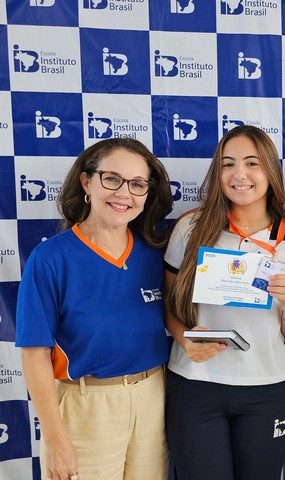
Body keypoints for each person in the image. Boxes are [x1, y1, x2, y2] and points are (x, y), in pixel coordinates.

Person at [15, 138, 174, 480]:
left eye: (137, 184)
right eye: (112, 179)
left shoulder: (153, 252)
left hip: (154, 397)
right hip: (87, 406)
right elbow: (34, 354)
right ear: (87, 182)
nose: (124, 193)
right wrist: (55, 438)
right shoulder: (51, 259)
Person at [163, 125, 285, 480]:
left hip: (267, 388)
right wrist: (185, 339)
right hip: (196, 383)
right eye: (228, 164)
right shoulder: (190, 227)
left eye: (252, 163)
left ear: (270, 171)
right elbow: (169, 305)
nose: (239, 174)